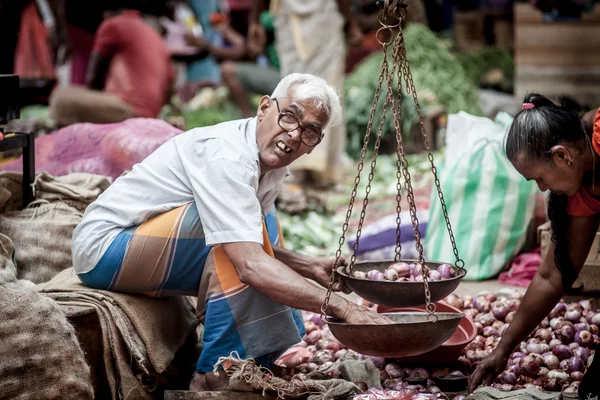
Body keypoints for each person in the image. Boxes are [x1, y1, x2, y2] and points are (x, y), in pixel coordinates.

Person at [70, 73, 391, 391]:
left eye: (310, 132)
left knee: (257, 227)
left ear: (314, 145)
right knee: (239, 252)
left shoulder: (269, 167)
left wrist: (308, 266)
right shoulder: (230, 156)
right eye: (289, 116)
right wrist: (343, 307)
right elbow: (250, 262)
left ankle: (250, 363)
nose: (294, 135)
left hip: (145, 244)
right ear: (264, 108)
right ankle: (215, 375)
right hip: (105, 247)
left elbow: (252, 241)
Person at [469, 93, 600, 398]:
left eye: (539, 179)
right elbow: (551, 276)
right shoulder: (582, 190)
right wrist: (503, 350)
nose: (542, 189)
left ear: (562, 155)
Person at [248, 0, 364, 186]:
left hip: (307, 19)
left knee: (305, 89)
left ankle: (307, 165)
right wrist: (351, 22)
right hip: (310, 18)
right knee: (313, 89)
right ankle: (311, 166)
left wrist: (255, 21)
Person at [49, 8, 174, 126]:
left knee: (60, 98)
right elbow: (170, 87)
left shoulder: (113, 24)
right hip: (151, 112)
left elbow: (94, 74)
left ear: (106, 14)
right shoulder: (154, 34)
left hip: (131, 109)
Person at [185, 11, 280, 118]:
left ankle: (249, 117)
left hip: (279, 75)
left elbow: (240, 50)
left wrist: (208, 43)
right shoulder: (216, 36)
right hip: (266, 76)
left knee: (227, 70)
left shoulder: (230, 31)